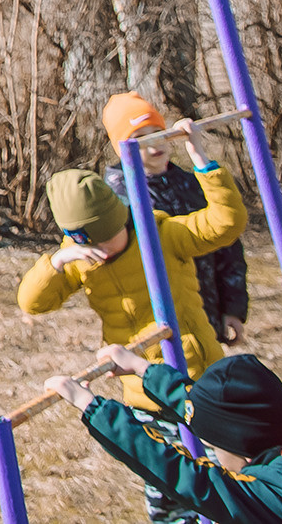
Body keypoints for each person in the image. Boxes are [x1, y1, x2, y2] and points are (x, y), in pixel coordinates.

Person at [22, 122, 247, 524]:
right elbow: (32, 303)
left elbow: (227, 223)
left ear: (122, 218)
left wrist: (202, 161)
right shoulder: (81, 259)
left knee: (227, 490)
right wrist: (58, 261)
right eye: (90, 243)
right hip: (143, 393)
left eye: (108, 239)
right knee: (168, 493)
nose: (103, 251)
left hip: (196, 380)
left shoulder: (162, 233)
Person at [49, 349, 282, 523]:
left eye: (213, 444)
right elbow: (220, 417)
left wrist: (93, 408)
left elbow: (188, 479)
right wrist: (143, 369)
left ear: (237, 445)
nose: (212, 452)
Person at [105, 91, 253, 344]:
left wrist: (232, 307)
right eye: (140, 138)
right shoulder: (116, 197)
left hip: (205, 310)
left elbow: (226, 247)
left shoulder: (191, 183)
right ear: (121, 149)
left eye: (157, 132)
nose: (154, 145)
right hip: (157, 322)